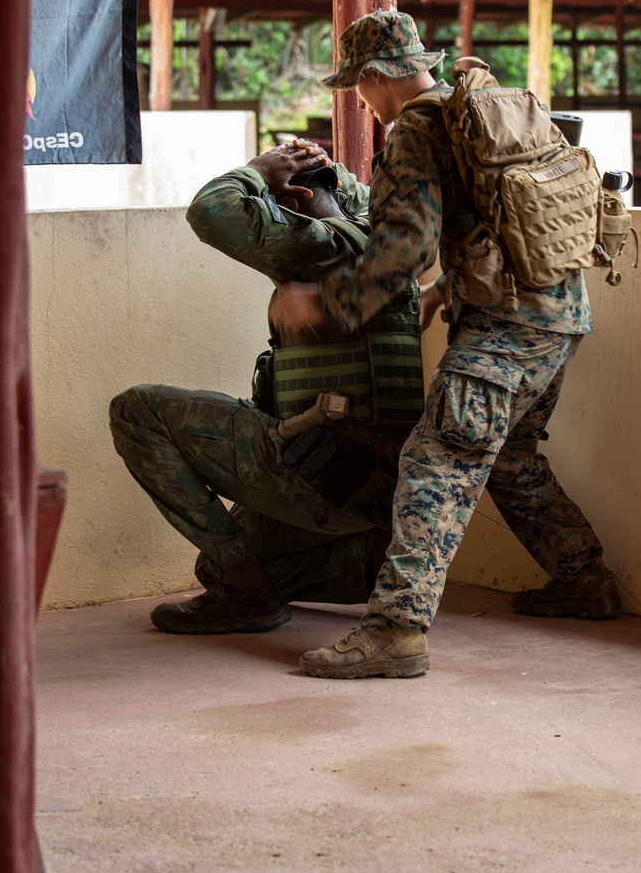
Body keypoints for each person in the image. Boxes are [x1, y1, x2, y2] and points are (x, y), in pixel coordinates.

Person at [271, 11, 621, 681]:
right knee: (510, 457)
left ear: (376, 78)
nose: (363, 104)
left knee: (435, 464)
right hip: (561, 316)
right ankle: (585, 579)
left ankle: (394, 631)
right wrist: (443, 292)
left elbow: (403, 244)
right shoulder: (477, 107)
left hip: (505, 333)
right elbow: (487, 221)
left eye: (358, 89)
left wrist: (325, 305)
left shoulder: (416, 130)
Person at [109, 140, 425, 634]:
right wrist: (321, 167)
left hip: (323, 473)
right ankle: (369, 560)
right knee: (215, 567)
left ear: (295, 203)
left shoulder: (323, 247)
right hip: (379, 487)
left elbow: (212, 212)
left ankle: (250, 596)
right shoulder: (382, 244)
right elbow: (358, 197)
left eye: (278, 208)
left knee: (135, 410)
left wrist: (257, 172)